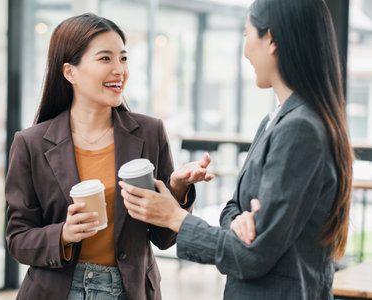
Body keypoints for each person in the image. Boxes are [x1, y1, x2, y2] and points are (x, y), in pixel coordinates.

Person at [119, 0, 354, 299]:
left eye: (247, 35)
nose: (245, 51)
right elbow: (232, 207)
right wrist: (241, 221)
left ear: (271, 39)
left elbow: (252, 257)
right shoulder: (275, 120)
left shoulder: (300, 129)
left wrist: (174, 218)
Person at [5, 13, 213, 300]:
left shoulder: (150, 132)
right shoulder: (30, 143)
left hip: (131, 290)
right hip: (57, 291)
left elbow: (164, 238)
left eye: (123, 59)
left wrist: (178, 188)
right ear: (70, 72)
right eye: (105, 59)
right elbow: (17, 239)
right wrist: (63, 234)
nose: (120, 70)